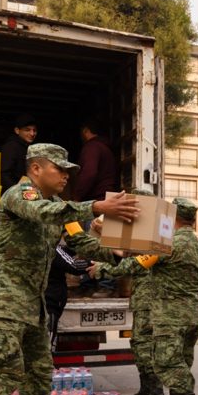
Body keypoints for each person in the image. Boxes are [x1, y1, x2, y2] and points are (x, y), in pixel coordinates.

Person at [0, 144, 139, 395]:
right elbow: (45, 214)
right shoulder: (20, 196)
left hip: (32, 301)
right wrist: (96, 206)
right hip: (3, 299)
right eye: (59, 169)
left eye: (67, 170)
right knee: (2, 369)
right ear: (36, 168)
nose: (65, 175)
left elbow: (82, 244)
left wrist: (120, 254)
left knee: (39, 369)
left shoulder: (60, 207)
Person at [91, 198, 198, 395]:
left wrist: (100, 269)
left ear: (172, 217)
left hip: (170, 315)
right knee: (181, 362)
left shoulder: (167, 243)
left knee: (168, 363)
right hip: (191, 312)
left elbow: (133, 265)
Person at [73, 119, 120, 297]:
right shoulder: (106, 149)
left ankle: (103, 285)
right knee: (99, 244)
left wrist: (77, 197)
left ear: (86, 130)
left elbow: (89, 173)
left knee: (94, 244)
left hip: (96, 204)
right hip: (107, 202)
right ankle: (90, 283)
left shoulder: (92, 148)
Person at [0, 113, 37, 194]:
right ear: (17, 130)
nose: (32, 134)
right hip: (13, 194)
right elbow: (4, 175)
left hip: (25, 190)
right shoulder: (11, 147)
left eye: (34, 130)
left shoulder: (28, 148)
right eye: (27, 130)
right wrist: (19, 193)